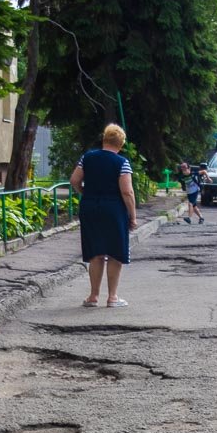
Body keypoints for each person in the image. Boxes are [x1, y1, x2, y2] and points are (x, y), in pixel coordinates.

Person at [70, 123, 137, 308]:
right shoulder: (122, 162)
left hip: (90, 207)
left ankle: (93, 296)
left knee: (96, 252)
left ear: (104, 139)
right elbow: (127, 192)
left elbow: (74, 180)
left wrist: (85, 192)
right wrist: (132, 216)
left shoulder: (87, 157)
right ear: (121, 144)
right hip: (114, 209)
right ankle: (112, 297)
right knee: (115, 252)